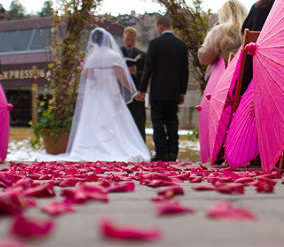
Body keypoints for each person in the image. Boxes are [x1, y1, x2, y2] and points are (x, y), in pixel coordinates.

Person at [60, 28, 150, 162]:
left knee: (95, 121)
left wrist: (97, 78)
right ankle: (114, 148)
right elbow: (122, 78)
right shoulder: (113, 56)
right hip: (111, 94)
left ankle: (94, 149)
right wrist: (134, 92)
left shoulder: (91, 57)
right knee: (115, 122)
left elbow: (85, 75)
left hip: (95, 95)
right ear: (107, 39)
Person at [137, 16, 189, 162]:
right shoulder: (181, 45)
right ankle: (173, 152)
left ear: (159, 27)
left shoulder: (155, 44)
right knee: (172, 121)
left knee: (158, 121)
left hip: (158, 90)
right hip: (174, 91)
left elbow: (148, 68)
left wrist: (142, 89)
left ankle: (161, 152)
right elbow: (184, 71)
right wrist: (182, 91)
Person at [197, 0, 247, 67]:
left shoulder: (221, 31)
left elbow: (203, 59)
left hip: (232, 74)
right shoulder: (251, 28)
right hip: (251, 73)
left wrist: (212, 32)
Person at [120, 27, 146, 141]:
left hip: (137, 93)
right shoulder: (117, 53)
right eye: (127, 39)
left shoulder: (142, 55)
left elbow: (146, 74)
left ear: (135, 39)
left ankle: (140, 145)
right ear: (123, 38)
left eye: (132, 39)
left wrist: (136, 72)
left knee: (138, 121)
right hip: (120, 93)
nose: (129, 42)